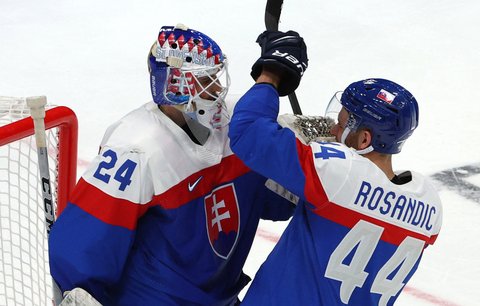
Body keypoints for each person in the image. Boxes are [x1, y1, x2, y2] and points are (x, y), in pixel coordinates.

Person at [48, 24, 296, 306]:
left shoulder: (235, 125)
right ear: (176, 87)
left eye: (216, 77)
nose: (218, 89)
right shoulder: (136, 148)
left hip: (217, 297)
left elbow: (278, 201)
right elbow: (84, 244)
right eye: (206, 81)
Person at [229, 30, 443, 305]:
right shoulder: (430, 209)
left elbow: (247, 132)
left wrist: (271, 74)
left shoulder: (335, 174)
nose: (332, 128)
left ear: (365, 139)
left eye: (342, 124)